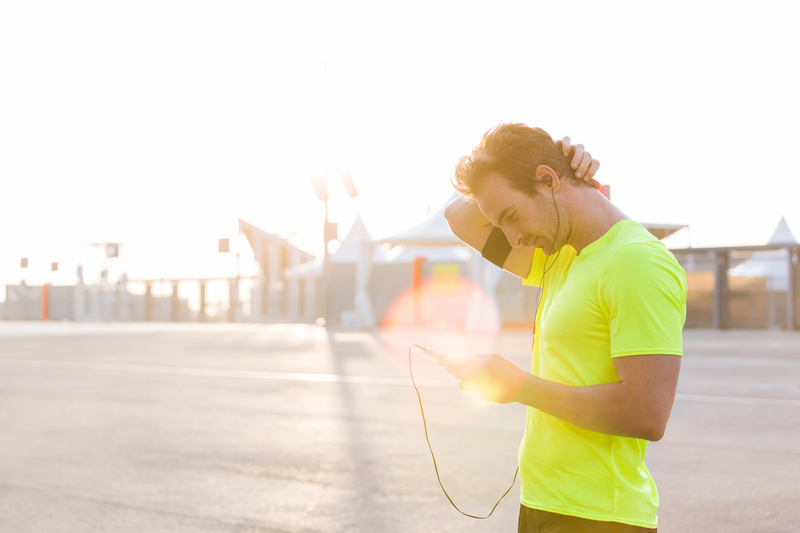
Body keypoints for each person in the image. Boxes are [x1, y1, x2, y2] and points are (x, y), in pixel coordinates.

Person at [442, 123, 686, 532]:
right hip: (543, 503)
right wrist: (553, 152)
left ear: (548, 180)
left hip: (599, 517)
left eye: (512, 216)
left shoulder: (635, 261)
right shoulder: (558, 255)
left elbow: (646, 414)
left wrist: (519, 386)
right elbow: (456, 215)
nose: (514, 238)